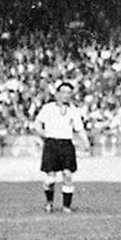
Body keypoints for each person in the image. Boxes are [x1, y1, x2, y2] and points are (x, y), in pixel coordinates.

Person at [35, 80, 90, 214]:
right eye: (63, 92)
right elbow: (37, 123)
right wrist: (43, 134)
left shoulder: (74, 110)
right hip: (51, 144)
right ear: (57, 94)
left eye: (69, 93)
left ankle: (66, 206)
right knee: (51, 178)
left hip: (66, 144)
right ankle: (49, 203)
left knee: (67, 175)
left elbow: (79, 128)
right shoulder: (48, 108)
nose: (66, 95)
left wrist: (86, 142)